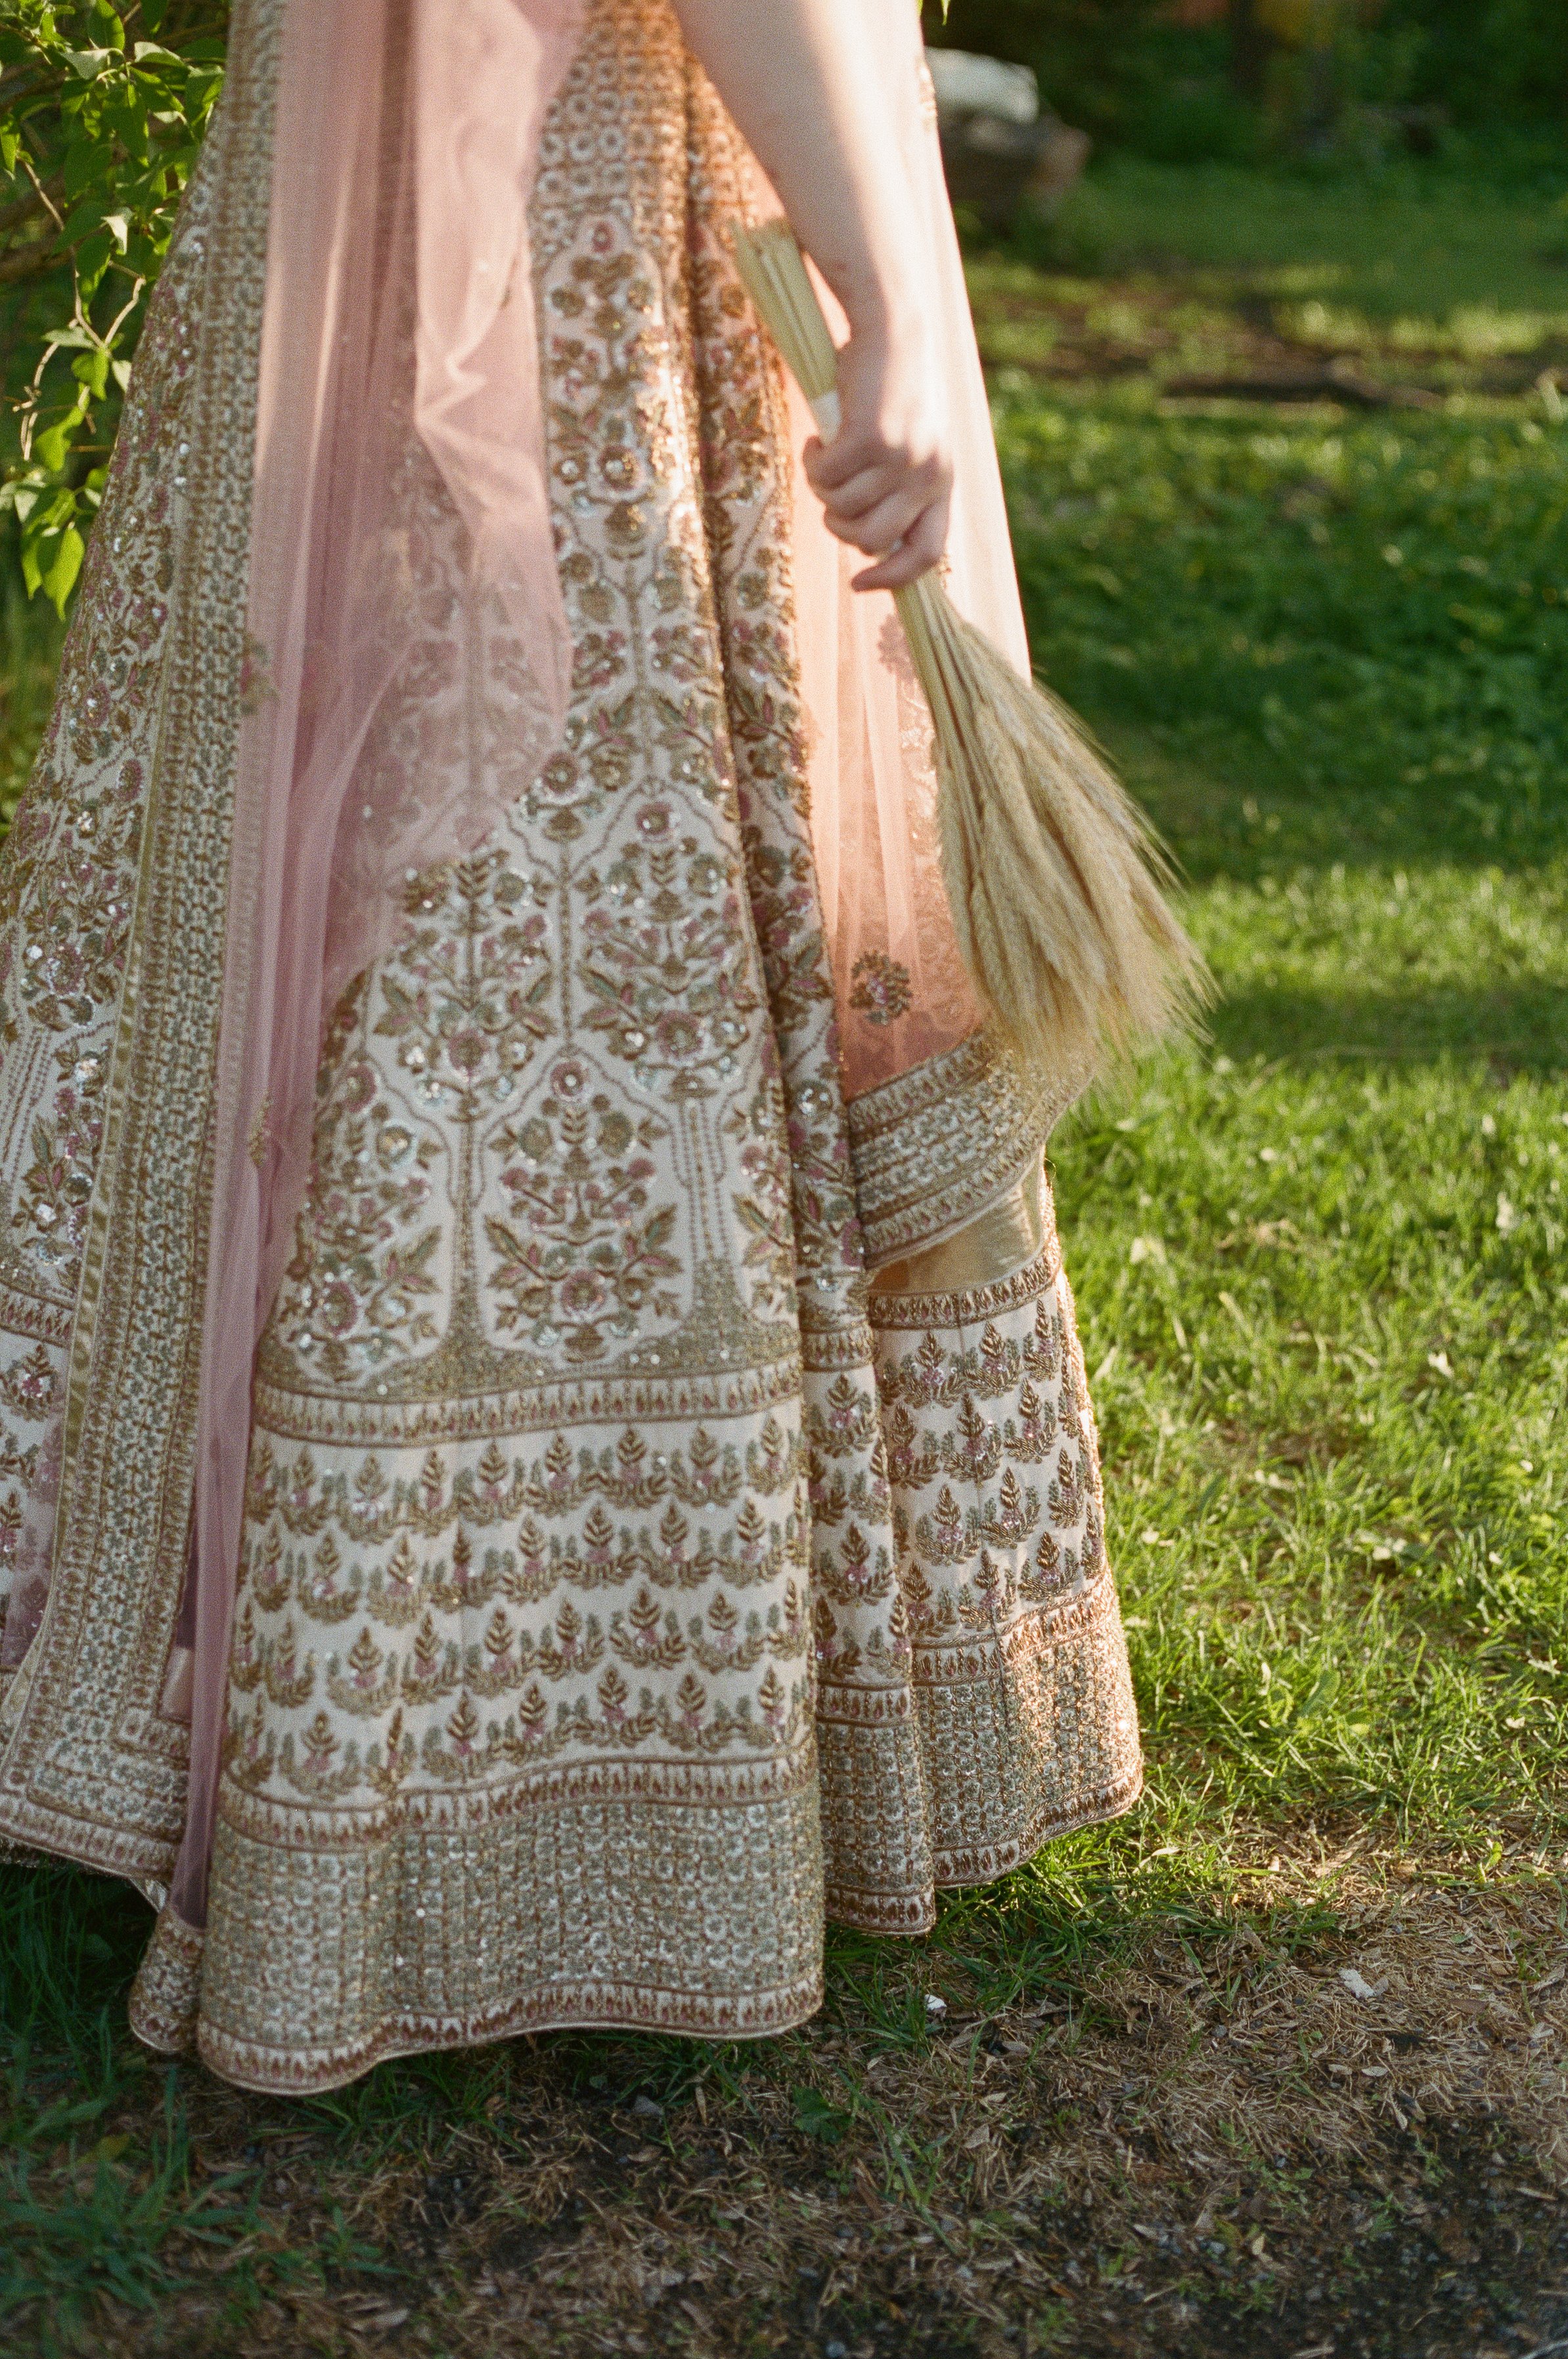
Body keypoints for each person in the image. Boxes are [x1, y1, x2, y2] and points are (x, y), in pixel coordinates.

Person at [0, 0, 1140, 2094]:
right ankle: (521, 1780)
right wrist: (883, 288)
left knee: (356, 887)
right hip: (585, 249)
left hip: (357, 240)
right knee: (540, 904)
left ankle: (210, 1698)